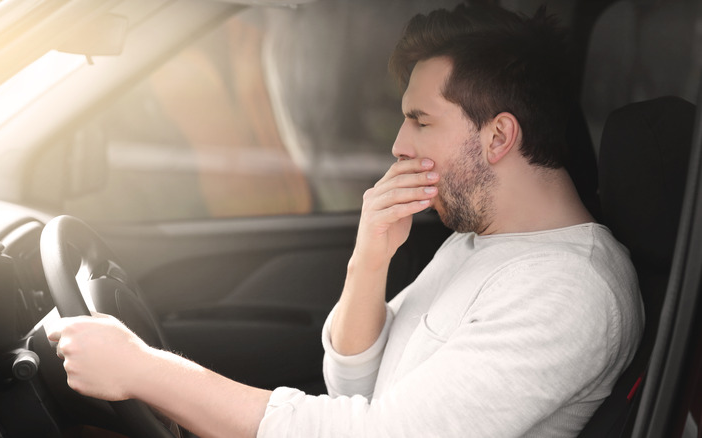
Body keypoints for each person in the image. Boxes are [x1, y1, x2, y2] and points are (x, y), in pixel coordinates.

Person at [46, 3, 644, 437]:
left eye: (421, 120)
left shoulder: (568, 289)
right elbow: (354, 390)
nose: (398, 145)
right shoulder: (481, 242)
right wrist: (370, 258)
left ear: (498, 136)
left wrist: (146, 372)